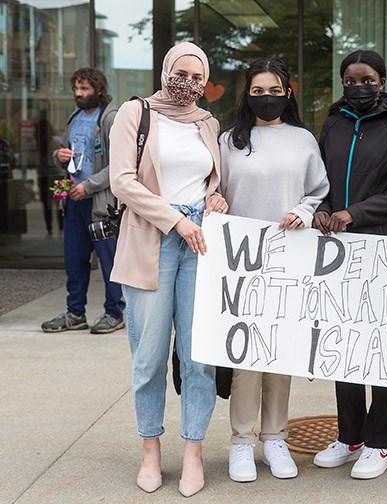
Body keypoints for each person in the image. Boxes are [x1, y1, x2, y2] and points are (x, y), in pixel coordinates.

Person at [109, 42, 228, 497]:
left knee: (198, 357)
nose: (189, 84)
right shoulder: (135, 113)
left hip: (199, 242)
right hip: (151, 238)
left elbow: (209, 180)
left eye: (198, 78)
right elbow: (122, 181)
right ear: (165, 70)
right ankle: (151, 450)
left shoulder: (207, 122)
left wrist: (215, 198)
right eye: (182, 73)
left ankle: (194, 451)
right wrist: (174, 218)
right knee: (149, 356)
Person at [311, 49, 387, 479]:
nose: (359, 87)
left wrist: (355, 212)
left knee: (380, 349)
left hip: (380, 248)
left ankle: (379, 443)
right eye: (351, 81)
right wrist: (322, 208)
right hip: (336, 252)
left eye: (368, 80)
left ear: (382, 81)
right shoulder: (335, 123)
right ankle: (349, 435)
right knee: (345, 346)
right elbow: (319, 178)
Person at [220, 58, 330, 483]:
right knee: (247, 355)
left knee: (279, 352)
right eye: (258, 90)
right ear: (247, 93)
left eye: (274, 90)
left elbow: (318, 191)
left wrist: (303, 212)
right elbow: (216, 188)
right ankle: (242, 443)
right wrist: (215, 200)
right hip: (242, 263)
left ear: (289, 91)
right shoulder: (230, 140)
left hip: (290, 259)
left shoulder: (303, 139)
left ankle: (276, 438)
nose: (266, 97)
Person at [41, 68, 124, 334]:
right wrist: (59, 156)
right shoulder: (74, 117)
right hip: (74, 203)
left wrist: (88, 185)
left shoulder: (112, 118)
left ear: (99, 90)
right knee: (74, 261)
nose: (78, 94)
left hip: (100, 204)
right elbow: (68, 155)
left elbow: (120, 166)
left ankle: (114, 313)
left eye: (84, 89)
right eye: (76, 88)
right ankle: (75, 313)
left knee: (109, 262)